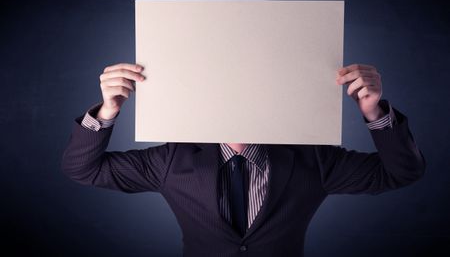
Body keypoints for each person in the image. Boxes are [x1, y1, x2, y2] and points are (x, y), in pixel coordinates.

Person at [61, 62, 425, 257]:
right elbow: (82, 168)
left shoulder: (312, 159)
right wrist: (108, 111)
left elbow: (400, 172)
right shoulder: (174, 158)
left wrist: (373, 111)